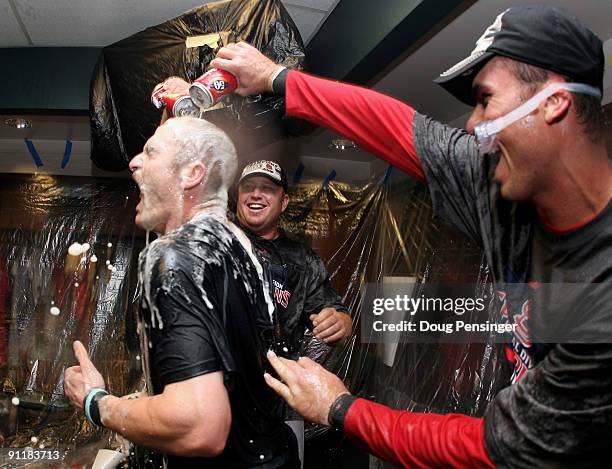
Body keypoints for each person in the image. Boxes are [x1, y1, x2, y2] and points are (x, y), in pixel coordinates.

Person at [209, 5, 612, 468]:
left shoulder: (602, 289)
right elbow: (401, 129)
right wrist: (276, 77)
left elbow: (499, 445)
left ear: (553, 104)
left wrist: (342, 410)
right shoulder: (503, 188)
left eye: (485, 100)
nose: (471, 123)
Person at [64, 117, 299, 468]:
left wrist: (96, 402)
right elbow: (227, 382)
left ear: (192, 174)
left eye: (151, 151)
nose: (134, 161)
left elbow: (199, 426)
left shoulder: (175, 253)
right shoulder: (238, 247)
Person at [236, 160, 352, 355]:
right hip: (220, 380)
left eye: (267, 189)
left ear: (284, 202)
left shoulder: (302, 260)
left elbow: (337, 314)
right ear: (238, 197)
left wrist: (340, 323)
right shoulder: (218, 243)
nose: (256, 194)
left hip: (277, 379)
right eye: (248, 187)